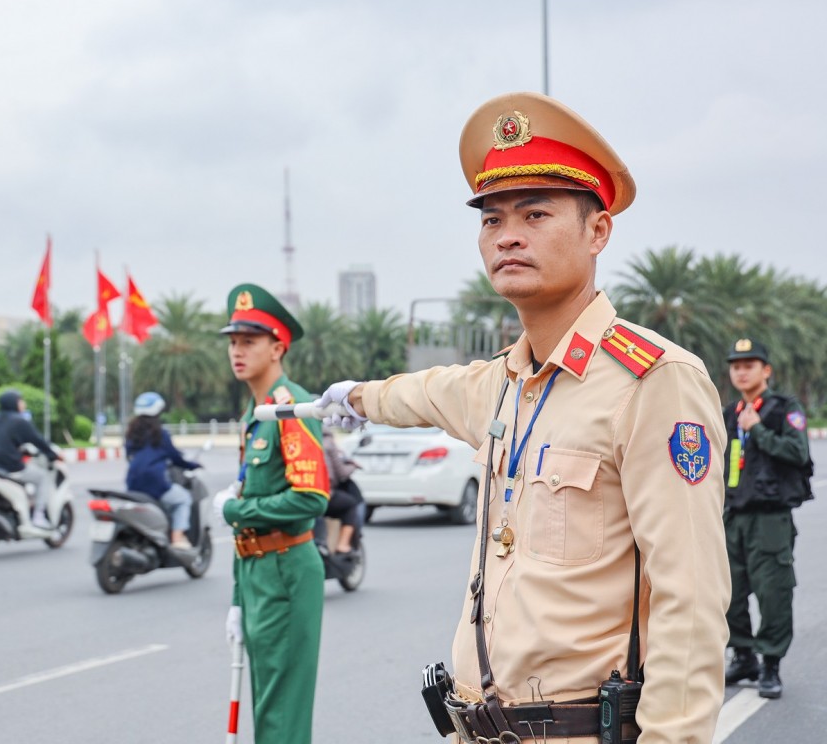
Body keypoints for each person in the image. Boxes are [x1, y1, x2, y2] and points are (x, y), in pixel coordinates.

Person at [317, 92, 730, 743]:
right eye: (492, 219)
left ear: (598, 231)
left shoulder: (653, 382)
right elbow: (423, 392)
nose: (507, 235)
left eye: (535, 214)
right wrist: (354, 398)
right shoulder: (502, 384)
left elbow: (691, 597)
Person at [212, 283, 330, 744]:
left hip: (286, 571)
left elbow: (312, 497)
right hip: (257, 572)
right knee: (266, 709)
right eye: (232, 342)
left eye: (249, 341)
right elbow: (248, 521)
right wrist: (238, 599)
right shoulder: (256, 414)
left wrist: (235, 508)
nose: (237, 351)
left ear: (278, 348)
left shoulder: (289, 407)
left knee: (281, 717)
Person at [721, 338, 814, 700]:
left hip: (770, 519)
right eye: (736, 366)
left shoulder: (783, 409)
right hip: (733, 516)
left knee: (773, 593)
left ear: (766, 370)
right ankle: (743, 656)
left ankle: (770, 664)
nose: (741, 372)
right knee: (728, 593)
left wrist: (758, 428)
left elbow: (798, 452)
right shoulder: (730, 413)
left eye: (749, 365)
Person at [123, 391, 201, 549]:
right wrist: (193, 465)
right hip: (156, 483)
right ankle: (177, 538)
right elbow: (175, 457)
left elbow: (129, 455)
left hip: (132, 483)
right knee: (183, 499)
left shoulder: (131, 434)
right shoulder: (160, 434)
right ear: (157, 412)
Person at [0, 389, 63, 530]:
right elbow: (37, 440)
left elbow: (7, 439)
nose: (23, 404)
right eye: (20, 401)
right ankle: (38, 516)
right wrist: (53, 455)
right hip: (10, 466)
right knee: (43, 477)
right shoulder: (19, 421)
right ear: (13, 403)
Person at [320, 429, 363, 554]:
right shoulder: (327, 442)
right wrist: (353, 466)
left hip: (301, 491)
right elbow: (342, 473)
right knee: (350, 504)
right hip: (323, 493)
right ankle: (343, 544)